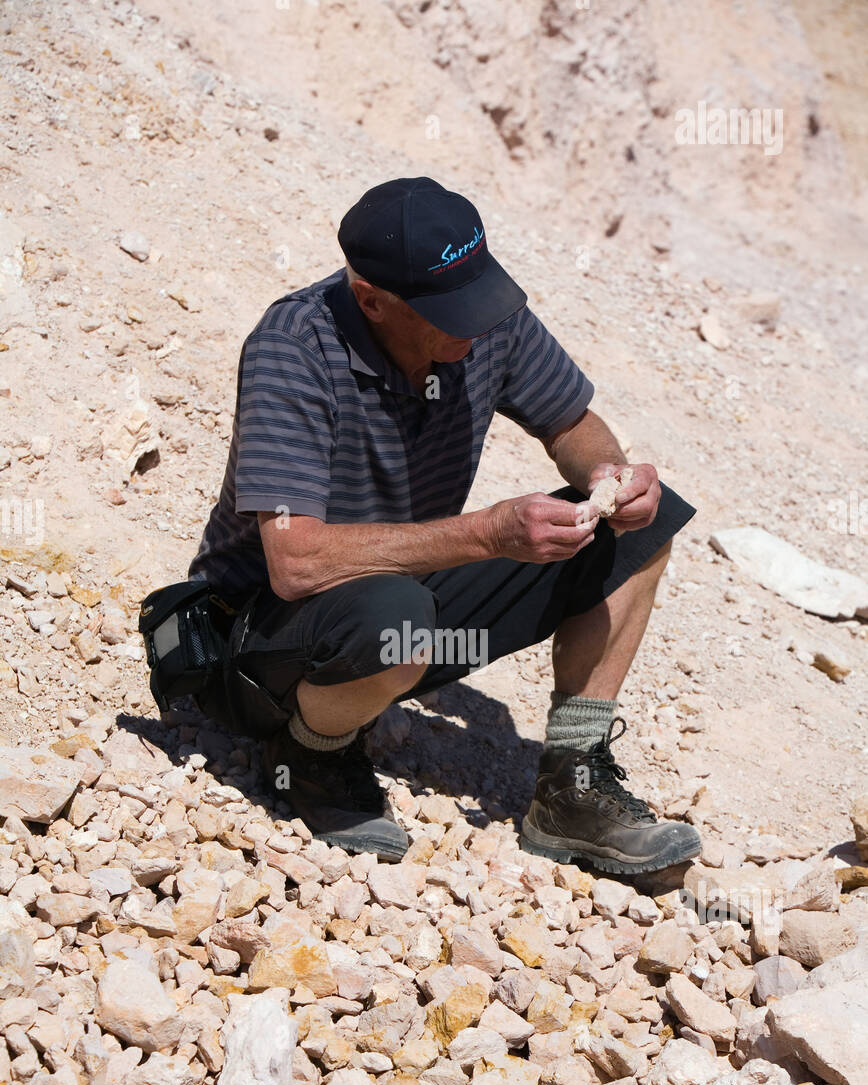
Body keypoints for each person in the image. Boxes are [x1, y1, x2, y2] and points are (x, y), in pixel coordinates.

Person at [184, 176, 701, 873]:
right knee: (399, 614)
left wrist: (608, 476)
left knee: (643, 527)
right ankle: (308, 754)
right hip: (255, 630)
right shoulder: (294, 346)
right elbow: (295, 562)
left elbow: (573, 423)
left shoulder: (479, 318)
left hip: (398, 603)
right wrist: (487, 535)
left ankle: (571, 788)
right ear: (372, 299)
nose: (477, 323)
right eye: (450, 312)